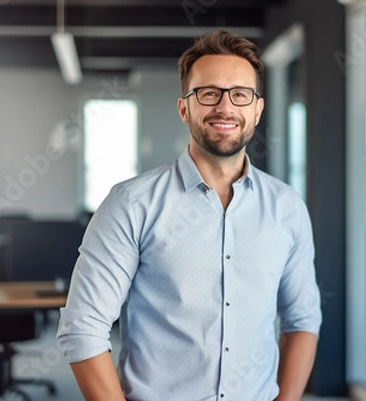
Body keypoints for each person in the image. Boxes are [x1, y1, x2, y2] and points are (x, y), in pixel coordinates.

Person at [57, 29, 322, 401]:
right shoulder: (132, 203)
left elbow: (303, 320)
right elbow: (82, 327)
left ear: (257, 110)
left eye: (240, 94)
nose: (226, 107)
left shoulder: (287, 207)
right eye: (209, 93)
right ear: (185, 108)